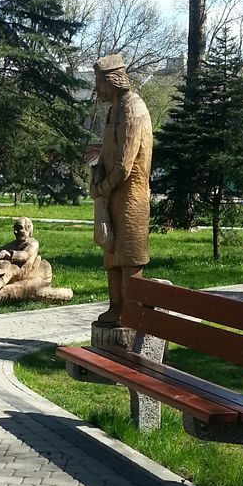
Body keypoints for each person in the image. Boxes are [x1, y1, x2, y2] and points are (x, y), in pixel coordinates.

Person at [90, 53, 153, 326]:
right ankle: (115, 307)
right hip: (112, 194)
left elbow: (125, 166)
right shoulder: (113, 110)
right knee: (112, 255)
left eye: (100, 82)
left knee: (129, 257)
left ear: (112, 80)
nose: (97, 88)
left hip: (131, 196)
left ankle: (132, 311)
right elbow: (106, 155)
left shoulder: (133, 109)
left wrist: (102, 187)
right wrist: (97, 179)